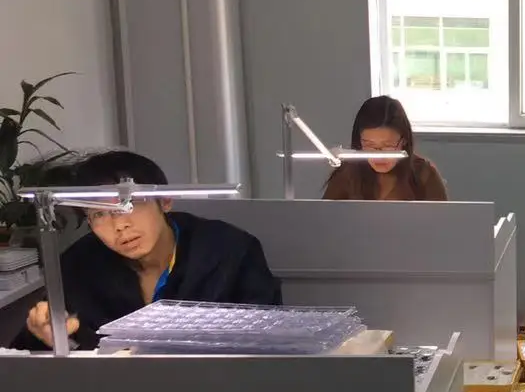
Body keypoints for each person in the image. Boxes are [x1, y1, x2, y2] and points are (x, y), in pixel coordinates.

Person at [14, 150, 281, 351]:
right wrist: (46, 334)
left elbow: (270, 339)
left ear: (164, 201)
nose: (119, 225)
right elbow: (36, 352)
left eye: (129, 206)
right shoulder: (78, 264)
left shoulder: (230, 250)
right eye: (99, 214)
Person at [322, 96, 448, 201]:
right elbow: (324, 218)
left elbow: (442, 220)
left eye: (388, 145)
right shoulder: (347, 173)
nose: (379, 155)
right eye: (369, 145)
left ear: (404, 141)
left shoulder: (424, 174)